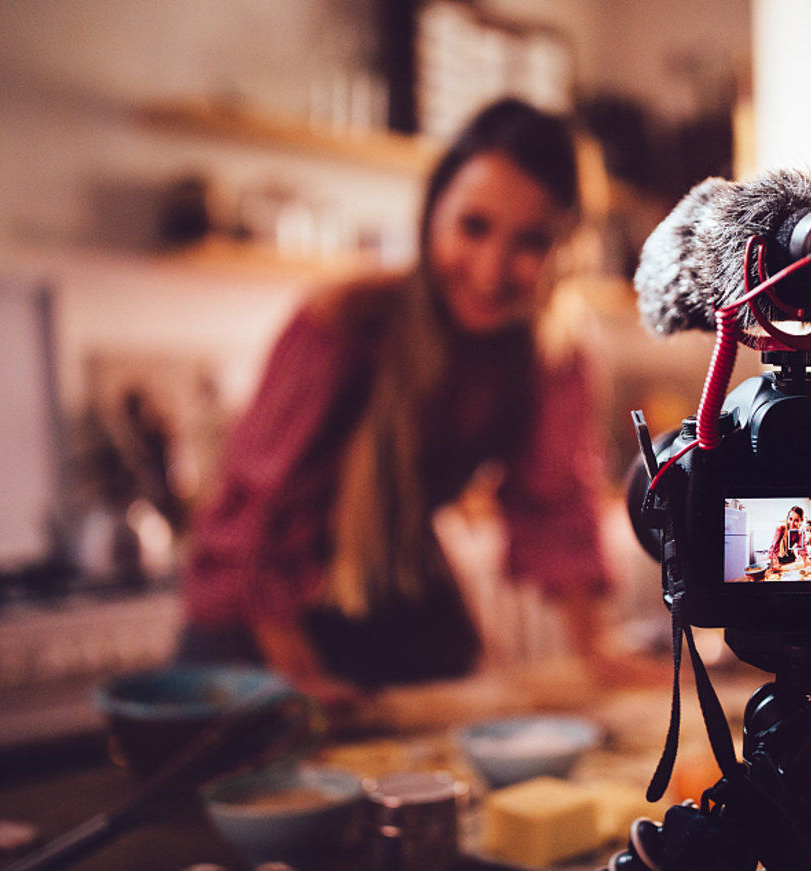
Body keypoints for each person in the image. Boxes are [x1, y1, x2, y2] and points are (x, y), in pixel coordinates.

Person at [178, 99, 631, 705]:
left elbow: (557, 509)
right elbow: (259, 517)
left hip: (400, 586)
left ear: (567, 250)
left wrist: (595, 655)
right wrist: (296, 682)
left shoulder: (554, 355)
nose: (492, 270)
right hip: (259, 620)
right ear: (430, 215)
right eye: (474, 227)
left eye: (532, 241)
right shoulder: (342, 324)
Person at [768, 505, 810, 572]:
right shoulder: (781, 529)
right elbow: (773, 548)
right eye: (790, 519)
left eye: (796, 520)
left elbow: (802, 549)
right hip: (779, 557)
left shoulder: (800, 532)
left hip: (790, 556)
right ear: (787, 518)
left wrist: (805, 564)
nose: (792, 523)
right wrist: (775, 563)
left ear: (801, 521)